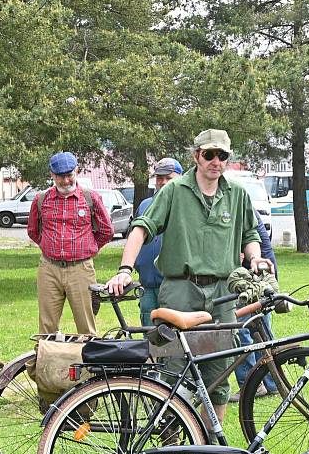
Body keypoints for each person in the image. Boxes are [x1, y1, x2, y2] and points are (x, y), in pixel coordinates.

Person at [107, 128, 273, 427]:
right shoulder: (174, 191)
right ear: (196, 156)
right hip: (179, 290)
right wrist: (124, 270)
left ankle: (213, 449)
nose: (216, 161)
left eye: (222, 155)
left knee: (218, 375)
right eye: (209, 154)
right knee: (171, 373)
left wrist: (256, 256)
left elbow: (249, 233)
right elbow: (141, 228)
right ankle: (171, 451)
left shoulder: (237, 194)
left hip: (223, 295)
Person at [27, 152, 114, 335]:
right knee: (46, 328)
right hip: (49, 269)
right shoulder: (41, 199)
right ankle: (47, 363)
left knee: (86, 327)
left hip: (81, 269)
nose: (66, 181)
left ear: (77, 171)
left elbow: (107, 231)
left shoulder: (90, 198)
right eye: (60, 176)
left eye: (69, 175)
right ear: (52, 175)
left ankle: (87, 363)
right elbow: (33, 231)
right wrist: (50, 247)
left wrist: (89, 249)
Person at [229, 210, 278, 402]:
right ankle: (271, 382)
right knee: (261, 332)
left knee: (244, 332)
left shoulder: (239, 211)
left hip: (253, 279)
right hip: (260, 277)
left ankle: (252, 385)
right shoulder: (248, 211)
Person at [134, 157, 183, 326]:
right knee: (148, 334)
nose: (163, 182)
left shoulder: (184, 205)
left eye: (168, 178)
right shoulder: (145, 204)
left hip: (173, 285)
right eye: (159, 178)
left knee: (173, 335)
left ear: (180, 178)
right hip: (147, 283)